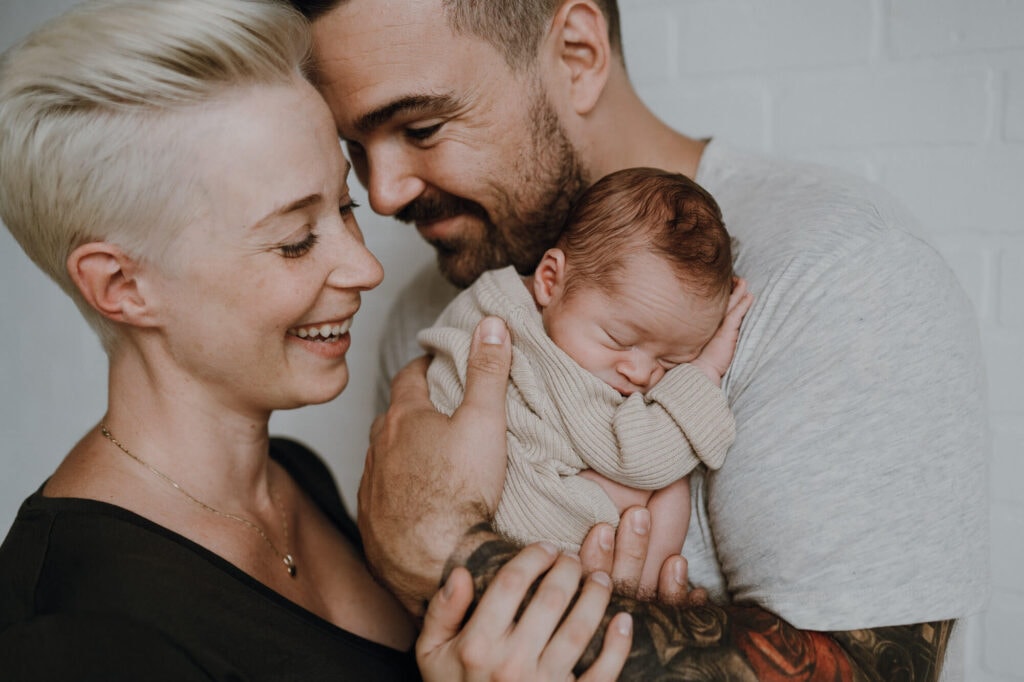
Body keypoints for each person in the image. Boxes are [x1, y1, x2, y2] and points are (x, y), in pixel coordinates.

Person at [288, 0, 990, 679]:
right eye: (356, 145)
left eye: (422, 127)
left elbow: (870, 671)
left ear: (579, 54)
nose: (381, 194)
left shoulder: (834, 277)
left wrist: (445, 549)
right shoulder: (436, 309)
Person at [0, 1, 638, 679]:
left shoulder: (296, 477)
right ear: (120, 285)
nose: (367, 268)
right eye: (295, 241)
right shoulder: (69, 629)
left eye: (344, 208)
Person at [419, 167, 753, 590]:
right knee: (669, 480)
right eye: (619, 339)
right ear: (550, 280)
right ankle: (642, 590)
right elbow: (638, 458)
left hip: (492, 521)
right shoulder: (537, 352)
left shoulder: (496, 300)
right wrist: (704, 370)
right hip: (520, 521)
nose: (641, 372)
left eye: (673, 362)